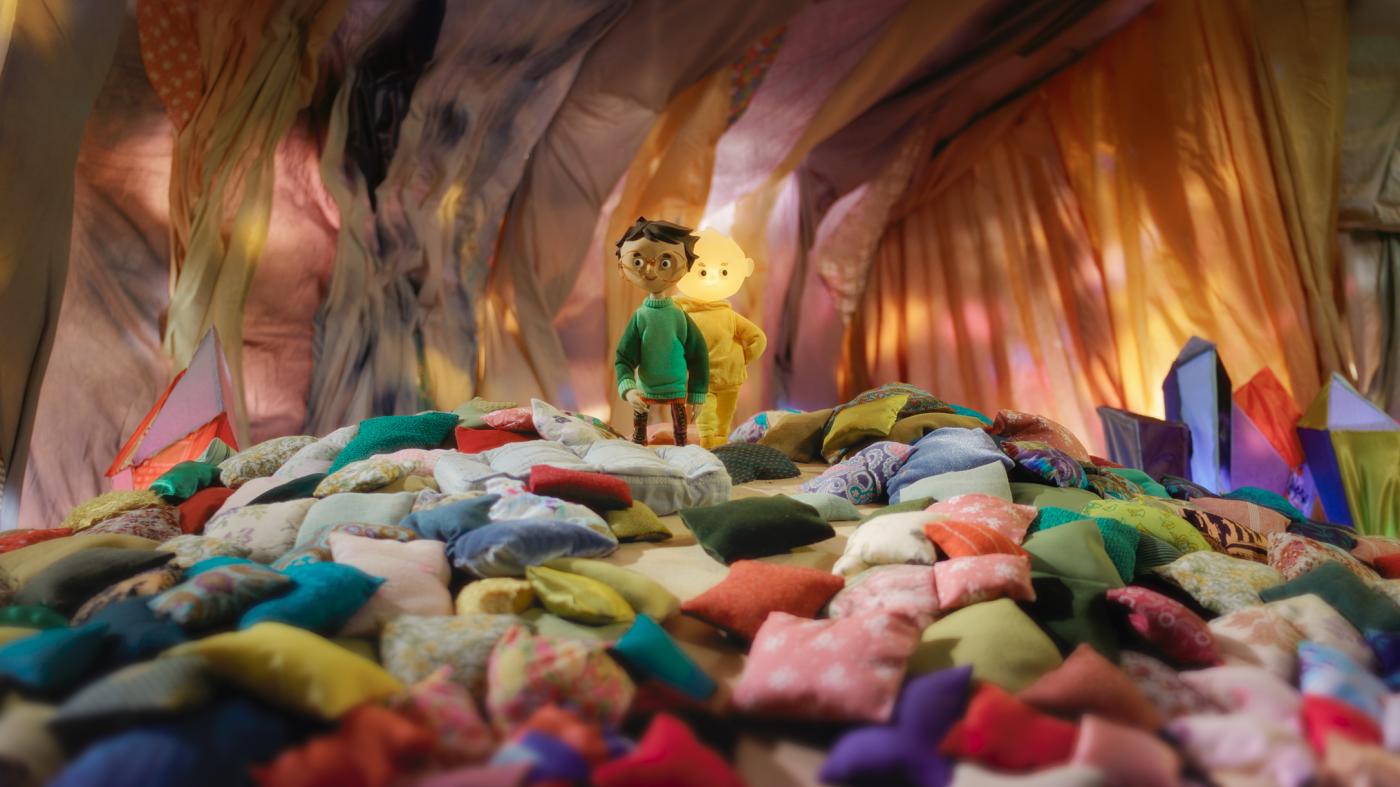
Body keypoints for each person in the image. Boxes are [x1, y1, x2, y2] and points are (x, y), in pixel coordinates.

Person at [613, 217, 710, 445]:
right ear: (623, 267)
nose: (650, 270)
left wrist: (697, 393)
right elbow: (624, 358)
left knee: (681, 435)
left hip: (676, 389)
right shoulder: (640, 317)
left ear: (685, 266)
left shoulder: (679, 317)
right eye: (638, 261)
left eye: (665, 262)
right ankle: (640, 442)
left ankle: (681, 447)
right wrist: (628, 389)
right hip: (644, 389)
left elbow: (699, 355)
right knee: (639, 434)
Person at [674, 229, 767, 449]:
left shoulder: (729, 317)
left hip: (729, 378)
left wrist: (744, 357)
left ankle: (718, 445)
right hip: (703, 379)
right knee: (707, 421)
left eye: (723, 271)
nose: (713, 277)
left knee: (723, 419)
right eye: (702, 272)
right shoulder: (682, 316)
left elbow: (758, 338)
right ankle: (709, 445)